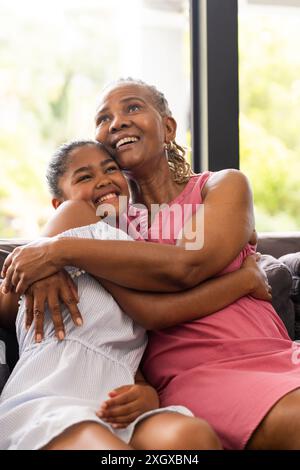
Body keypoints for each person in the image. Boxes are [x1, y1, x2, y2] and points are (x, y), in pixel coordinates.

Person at [2, 78, 297, 450]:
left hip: (274, 350)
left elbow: (189, 265)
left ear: (168, 128)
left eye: (132, 108)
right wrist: (50, 256)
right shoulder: (110, 229)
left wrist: (56, 252)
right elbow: (143, 315)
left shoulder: (221, 186)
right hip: (198, 372)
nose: (118, 121)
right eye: (104, 118)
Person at [0, 140, 229, 450]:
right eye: (84, 177)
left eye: (111, 169)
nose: (103, 179)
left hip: (115, 401)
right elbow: (11, 297)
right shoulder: (74, 215)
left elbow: (139, 335)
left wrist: (147, 394)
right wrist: (39, 270)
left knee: (192, 438)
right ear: (58, 203)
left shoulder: (136, 252)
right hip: (52, 392)